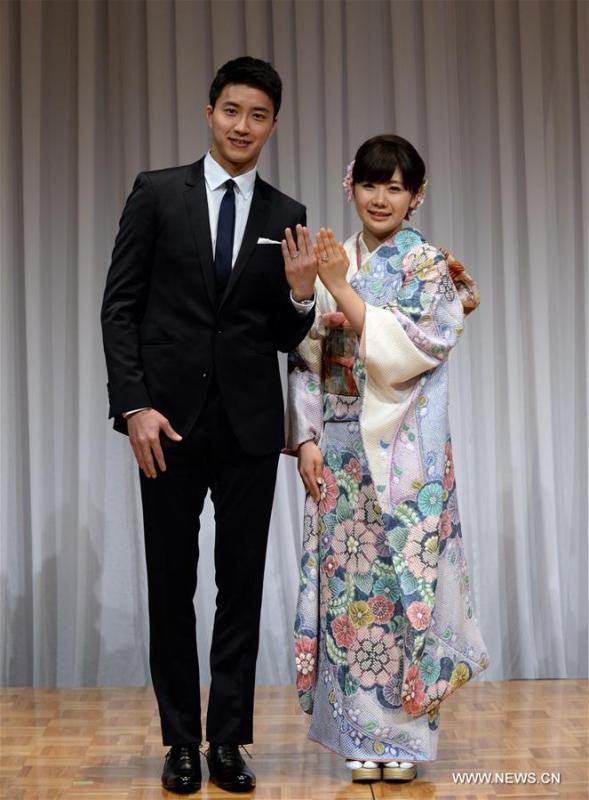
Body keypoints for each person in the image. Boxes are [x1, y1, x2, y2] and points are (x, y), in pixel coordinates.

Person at [101, 57, 317, 795]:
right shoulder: (158, 194)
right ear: (208, 112)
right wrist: (133, 406)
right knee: (170, 583)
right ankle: (178, 741)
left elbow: (288, 338)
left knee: (240, 588)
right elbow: (120, 307)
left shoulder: (287, 213)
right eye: (232, 110)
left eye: (258, 115)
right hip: (166, 425)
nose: (242, 127)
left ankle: (227, 740)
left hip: (251, 429)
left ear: (273, 125)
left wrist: (298, 299)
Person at [286, 134, 488, 783]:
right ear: (351, 186)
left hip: (408, 456)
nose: (381, 196)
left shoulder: (427, 265)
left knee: (406, 594)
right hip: (342, 451)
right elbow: (305, 358)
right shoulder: (332, 258)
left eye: (395, 186)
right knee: (350, 596)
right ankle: (357, 735)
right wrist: (308, 439)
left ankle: (403, 741)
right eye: (371, 183)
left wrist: (341, 291)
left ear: (415, 197)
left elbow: (406, 352)